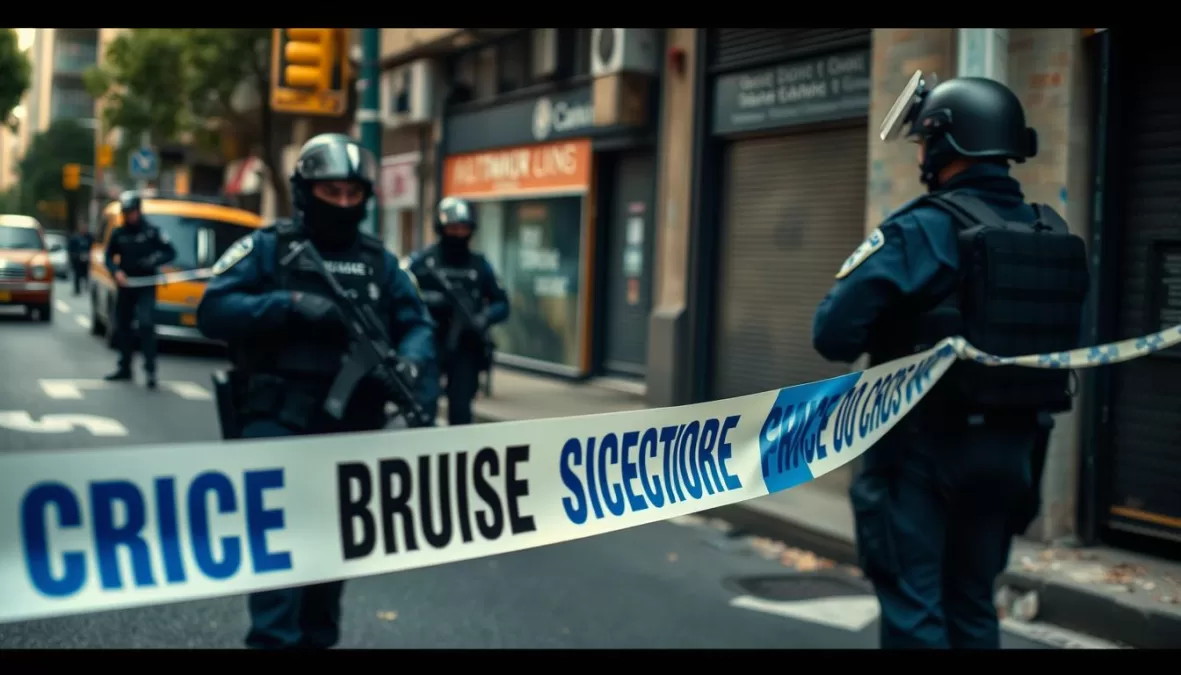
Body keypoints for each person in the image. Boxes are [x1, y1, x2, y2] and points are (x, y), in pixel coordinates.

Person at [811, 74, 1090, 649]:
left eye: (922, 141)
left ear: (944, 142)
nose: (919, 153)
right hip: (1014, 455)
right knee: (972, 603)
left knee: (916, 608)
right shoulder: (1048, 233)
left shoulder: (922, 230)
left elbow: (833, 334)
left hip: (921, 454)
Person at [195, 133, 439, 650]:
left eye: (354, 195)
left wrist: (412, 363)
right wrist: (287, 306)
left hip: (350, 427)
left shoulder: (381, 263)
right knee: (279, 560)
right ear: (306, 192)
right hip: (276, 419)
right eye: (333, 193)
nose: (345, 204)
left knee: (329, 563)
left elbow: (416, 323)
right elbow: (213, 309)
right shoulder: (268, 248)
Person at [407, 196, 509, 426]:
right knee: (424, 407)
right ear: (441, 229)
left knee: (461, 412)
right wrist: (432, 302)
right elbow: (403, 300)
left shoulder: (479, 265)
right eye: (453, 228)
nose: (459, 234)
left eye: (464, 228)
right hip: (429, 345)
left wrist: (484, 318)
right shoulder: (423, 263)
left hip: (466, 347)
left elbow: (502, 303)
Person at [103, 192, 176, 389]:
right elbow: (108, 257)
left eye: (132, 212)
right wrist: (116, 272)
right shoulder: (119, 233)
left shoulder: (152, 231)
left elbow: (170, 252)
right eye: (127, 213)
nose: (130, 216)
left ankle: (151, 371)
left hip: (146, 285)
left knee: (145, 324)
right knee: (123, 326)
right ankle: (124, 367)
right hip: (126, 286)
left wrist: (154, 260)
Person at [67, 222, 94, 296]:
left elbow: (93, 246)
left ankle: (87, 288)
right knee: (77, 275)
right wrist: (73, 257)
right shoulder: (75, 237)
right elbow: (70, 249)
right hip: (77, 259)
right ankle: (77, 289)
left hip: (87, 259)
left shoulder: (89, 237)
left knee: (86, 274)